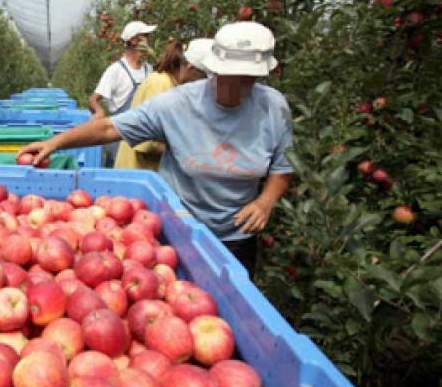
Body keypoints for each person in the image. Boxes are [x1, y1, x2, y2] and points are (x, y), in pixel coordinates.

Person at [18, 22, 293, 278]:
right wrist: (55, 143)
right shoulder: (178, 104)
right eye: (231, 75)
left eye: (249, 77)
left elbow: (282, 168)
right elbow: (108, 129)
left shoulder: (273, 108)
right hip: (178, 231)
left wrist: (265, 201)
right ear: (215, 69)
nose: (239, 83)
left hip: (237, 238)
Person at [114, 38, 212, 170]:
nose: (204, 83)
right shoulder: (161, 85)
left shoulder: (176, 87)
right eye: (203, 77)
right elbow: (147, 143)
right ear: (190, 66)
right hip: (137, 174)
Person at [88, 20, 156, 167]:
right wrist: (99, 111)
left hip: (142, 137)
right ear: (133, 40)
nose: (150, 40)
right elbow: (94, 99)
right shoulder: (116, 70)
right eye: (146, 36)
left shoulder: (148, 70)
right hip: (119, 136)